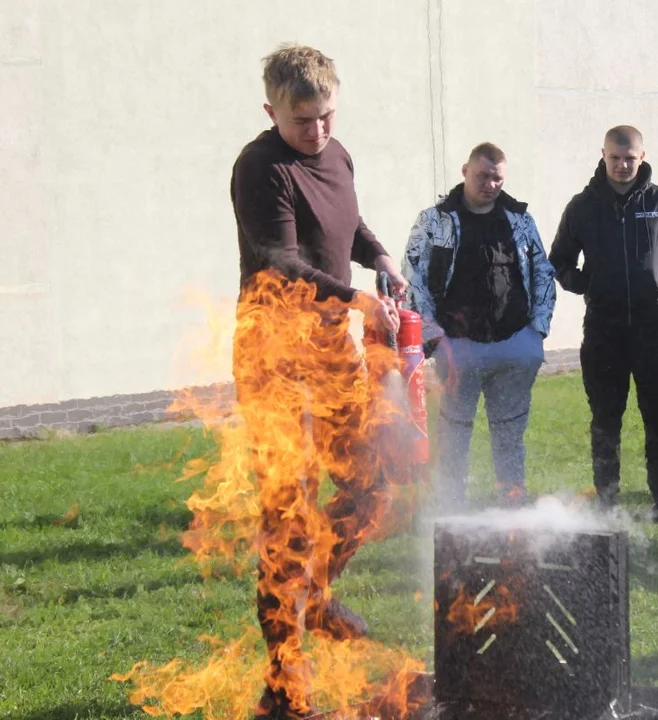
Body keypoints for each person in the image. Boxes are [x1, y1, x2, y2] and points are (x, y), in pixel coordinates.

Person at [230, 44, 403, 719]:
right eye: (303, 122)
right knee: (290, 518)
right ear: (272, 110)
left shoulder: (338, 152)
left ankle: (318, 594)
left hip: (332, 351)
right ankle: (284, 686)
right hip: (276, 355)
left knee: (370, 486)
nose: (318, 133)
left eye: (327, 116)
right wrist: (355, 298)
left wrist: (380, 252)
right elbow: (278, 259)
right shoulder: (260, 167)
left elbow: (344, 221)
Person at [549, 125, 658, 523]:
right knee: (605, 418)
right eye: (614, 158)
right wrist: (586, 284)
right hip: (604, 329)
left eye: (629, 158)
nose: (621, 165)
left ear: (642, 156)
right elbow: (560, 260)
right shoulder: (582, 206)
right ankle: (608, 503)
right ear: (602, 155)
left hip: (654, 329)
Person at [401, 142, 555, 510]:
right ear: (465, 171)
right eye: (483, 176)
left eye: (497, 178)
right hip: (458, 348)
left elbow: (542, 274)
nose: (490, 184)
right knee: (453, 435)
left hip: (515, 345)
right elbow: (414, 278)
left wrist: (537, 333)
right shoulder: (434, 220)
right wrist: (434, 338)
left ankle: (512, 503)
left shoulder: (520, 220)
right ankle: (452, 510)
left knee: (509, 433)